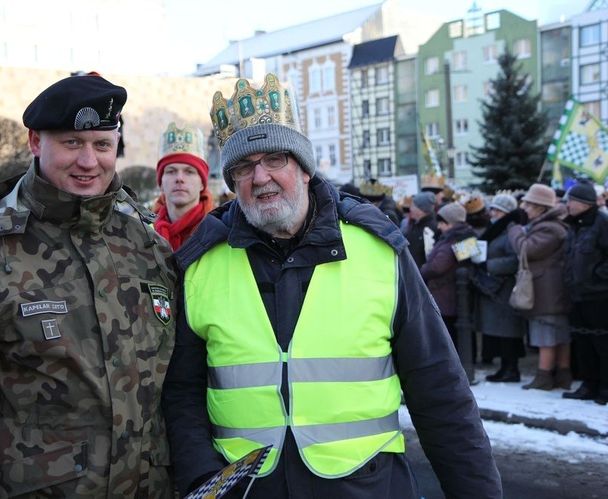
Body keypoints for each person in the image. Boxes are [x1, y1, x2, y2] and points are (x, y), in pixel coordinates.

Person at [162, 73, 502, 499]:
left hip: (367, 487)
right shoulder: (202, 265)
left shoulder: (379, 252)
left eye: (275, 159)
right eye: (244, 167)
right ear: (232, 184)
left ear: (304, 168)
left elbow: (440, 390)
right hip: (246, 491)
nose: (261, 177)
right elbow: (182, 392)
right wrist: (202, 479)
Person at [0, 73, 178, 498]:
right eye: (71, 143)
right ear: (35, 142)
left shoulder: (147, 248)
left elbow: (175, 389)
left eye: (102, 145)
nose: (89, 161)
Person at [508, 184, 572, 391]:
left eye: (528, 204)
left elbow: (527, 249)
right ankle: (562, 375)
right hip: (550, 288)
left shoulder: (550, 228)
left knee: (546, 335)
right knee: (558, 336)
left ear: (540, 207)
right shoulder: (553, 225)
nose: (525, 208)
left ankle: (544, 377)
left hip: (547, 290)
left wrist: (515, 230)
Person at [472, 194, 528, 382]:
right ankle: (505, 368)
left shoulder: (512, 231)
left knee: (508, 332)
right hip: (493, 288)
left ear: (506, 212)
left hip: (505, 288)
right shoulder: (496, 229)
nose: (492, 213)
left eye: (496, 210)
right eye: (492, 209)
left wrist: (489, 265)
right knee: (500, 331)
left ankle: (511, 368)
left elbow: (515, 259)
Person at [562, 182, 608, 404]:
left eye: (571, 200)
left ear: (584, 203)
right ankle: (588, 384)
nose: (567, 204)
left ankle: (605, 387)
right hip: (577, 293)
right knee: (583, 343)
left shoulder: (602, 223)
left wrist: (597, 275)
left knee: (602, 344)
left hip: (599, 295)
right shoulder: (574, 225)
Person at [420, 202, 477, 349]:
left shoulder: (452, 239)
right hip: (454, 294)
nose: (439, 226)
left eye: (442, 223)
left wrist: (423, 270)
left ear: (451, 223)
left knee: (449, 334)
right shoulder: (466, 236)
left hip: (446, 293)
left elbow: (438, 266)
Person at [152, 122, 215, 250]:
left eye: (189, 172)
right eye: (171, 171)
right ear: (161, 183)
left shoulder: (220, 232)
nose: (179, 178)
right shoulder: (143, 234)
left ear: (202, 183)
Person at [403, 191, 438, 269]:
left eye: (413, 206)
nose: (410, 209)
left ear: (420, 210)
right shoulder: (415, 225)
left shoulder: (431, 229)